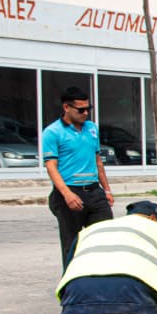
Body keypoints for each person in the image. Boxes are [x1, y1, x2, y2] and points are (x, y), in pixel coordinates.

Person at [42, 86, 115, 265]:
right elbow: (51, 167)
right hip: (69, 192)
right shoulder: (53, 132)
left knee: (104, 239)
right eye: (80, 110)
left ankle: (101, 284)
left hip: (94, 191)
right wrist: (67, 194)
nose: (85, 113)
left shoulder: (91, 128)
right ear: (66, 108)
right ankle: (71, 288)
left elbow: (98, 161)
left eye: (88, 109)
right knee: (72, 245)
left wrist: (106, 190)